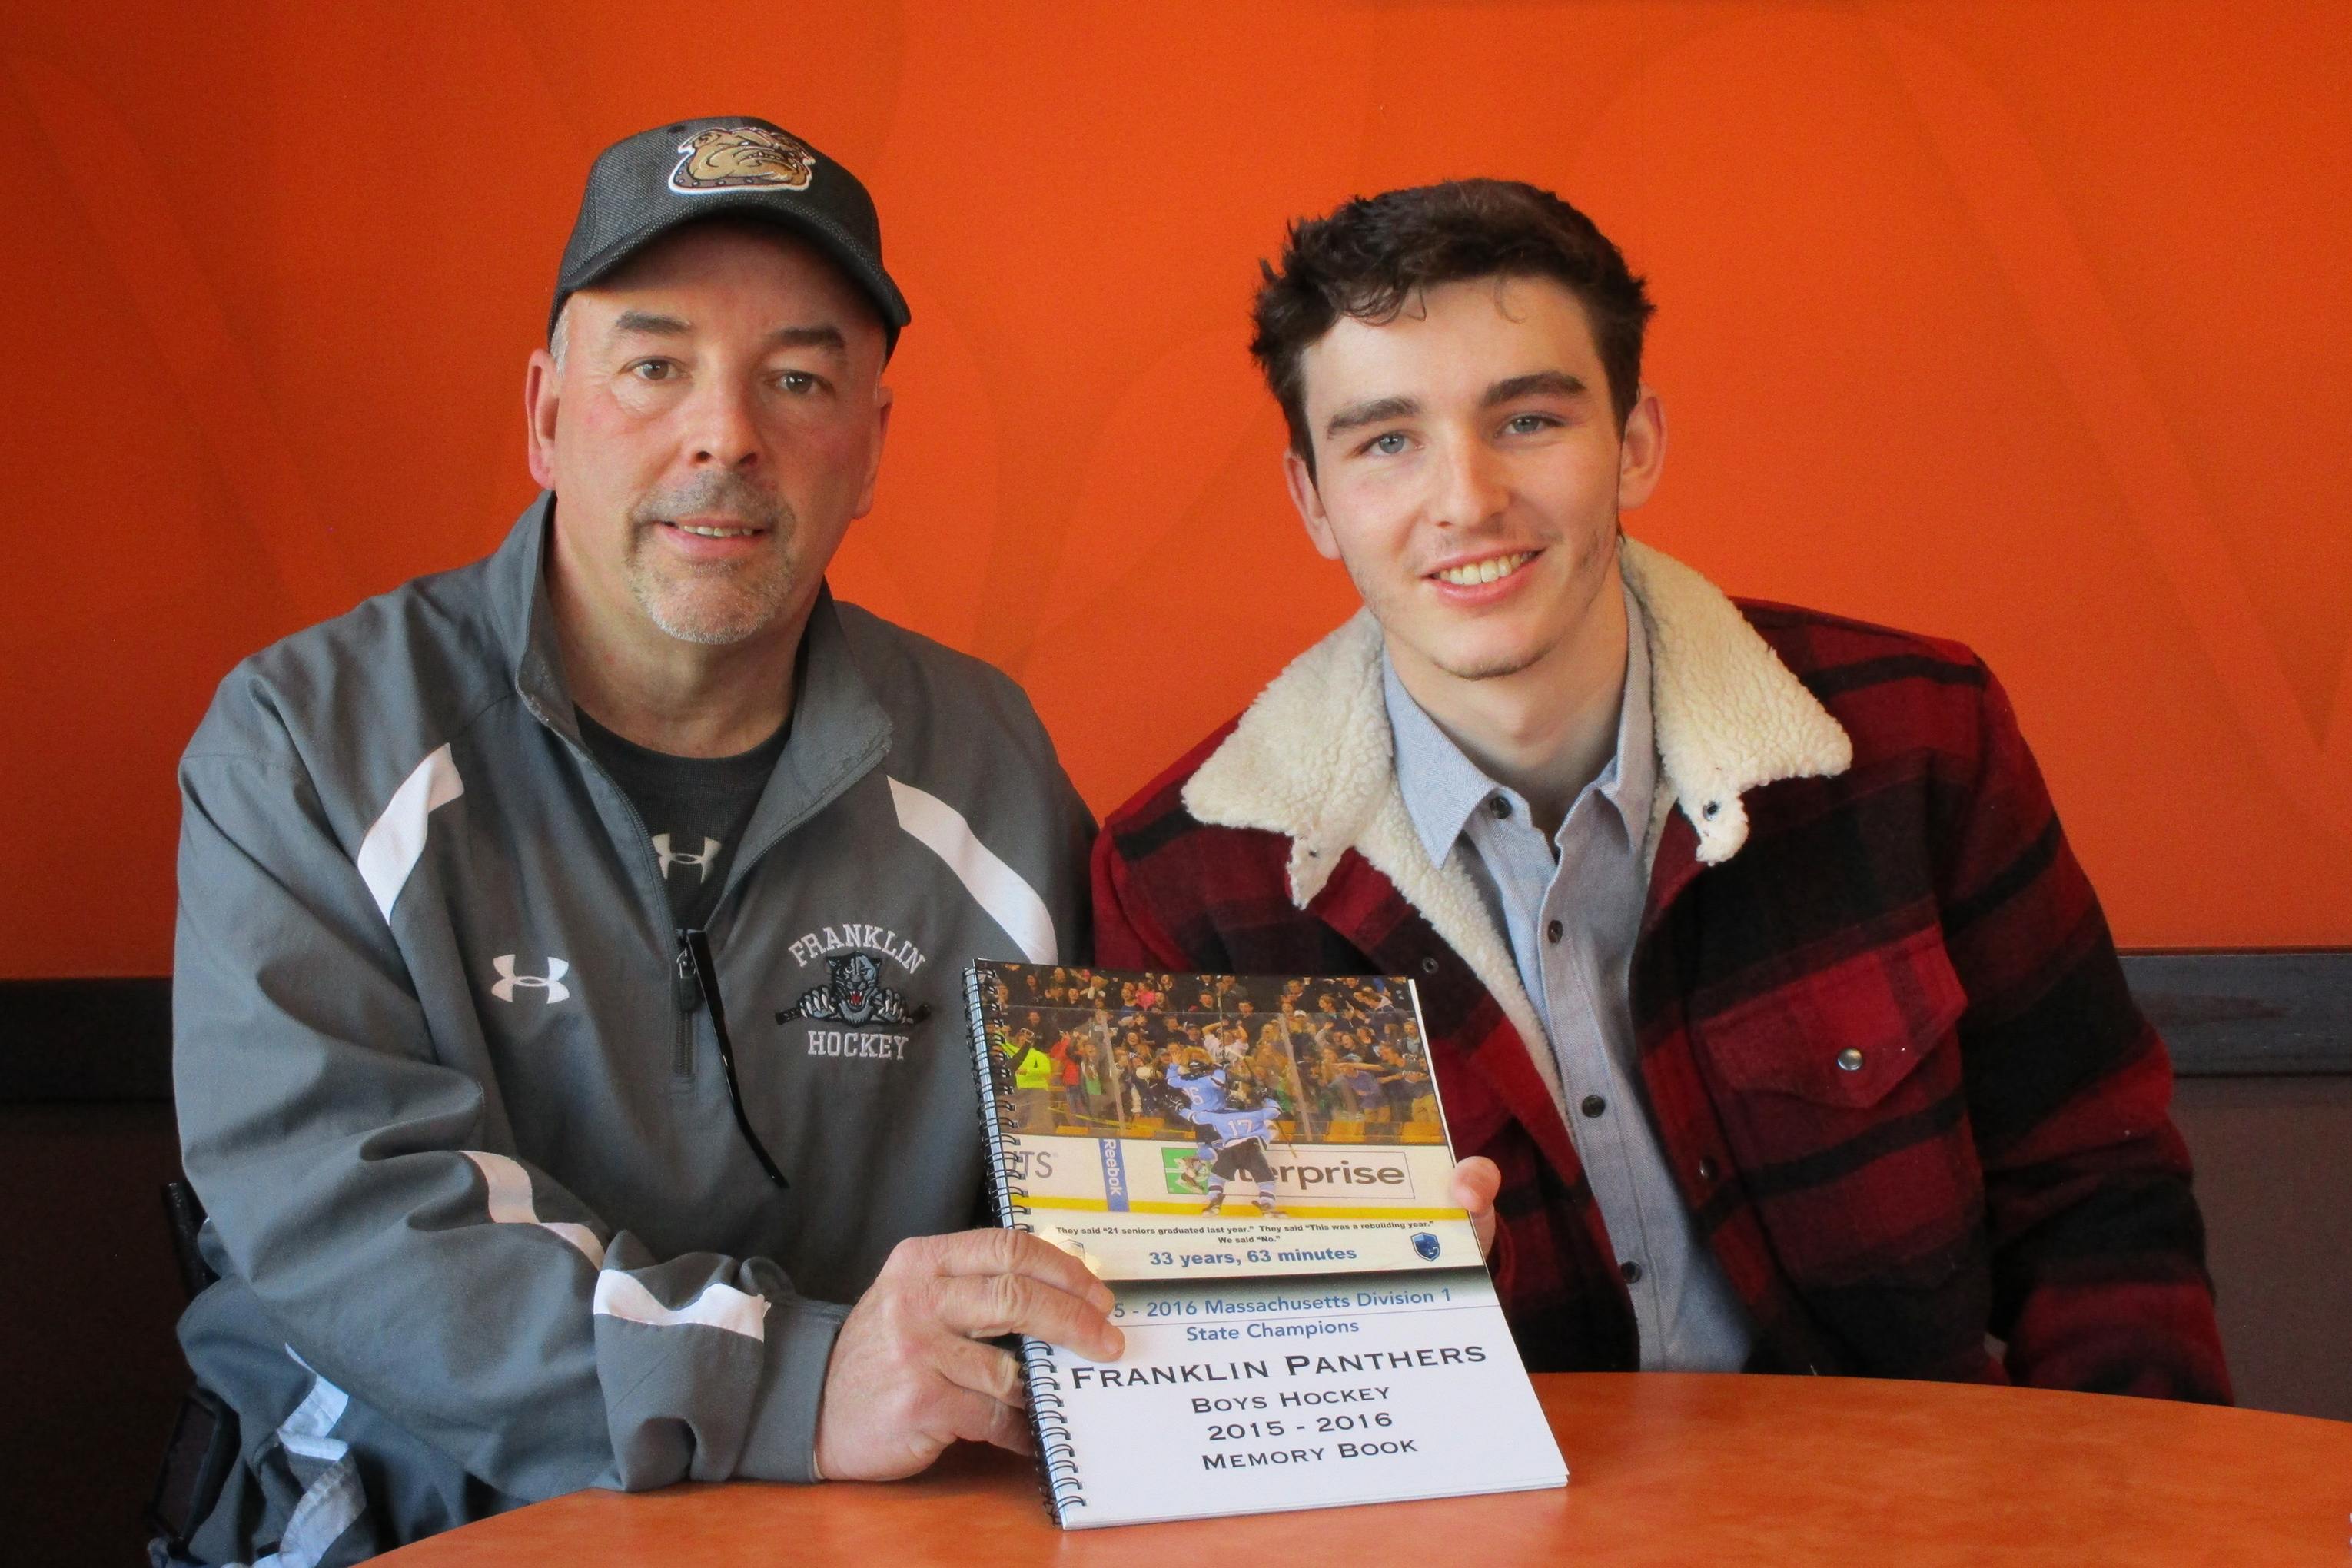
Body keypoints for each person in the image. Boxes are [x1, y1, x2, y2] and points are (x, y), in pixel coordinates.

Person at [1091, 179, 2230, 1399]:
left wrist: (2124, 1514)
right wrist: (1369, 1328)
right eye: (1386, 441)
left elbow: (2096, 1190)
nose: (1467, 498)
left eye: (1528, 420)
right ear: (1313, 500)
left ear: (1634, 444)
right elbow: (1221, 1388)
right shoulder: (1190, 881)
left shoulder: (1917, 737)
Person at [167, 117, 1121, 1566]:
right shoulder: (307, 739)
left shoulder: (986, 759)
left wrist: (1337, 1251)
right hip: (410, 1518)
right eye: (655, 365)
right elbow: (353, 1222)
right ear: (547, 416)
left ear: (871, 448)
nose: (725, 433)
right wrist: (795, 1384)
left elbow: (1096, 1178)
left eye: (799, 379)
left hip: (865, 1530)